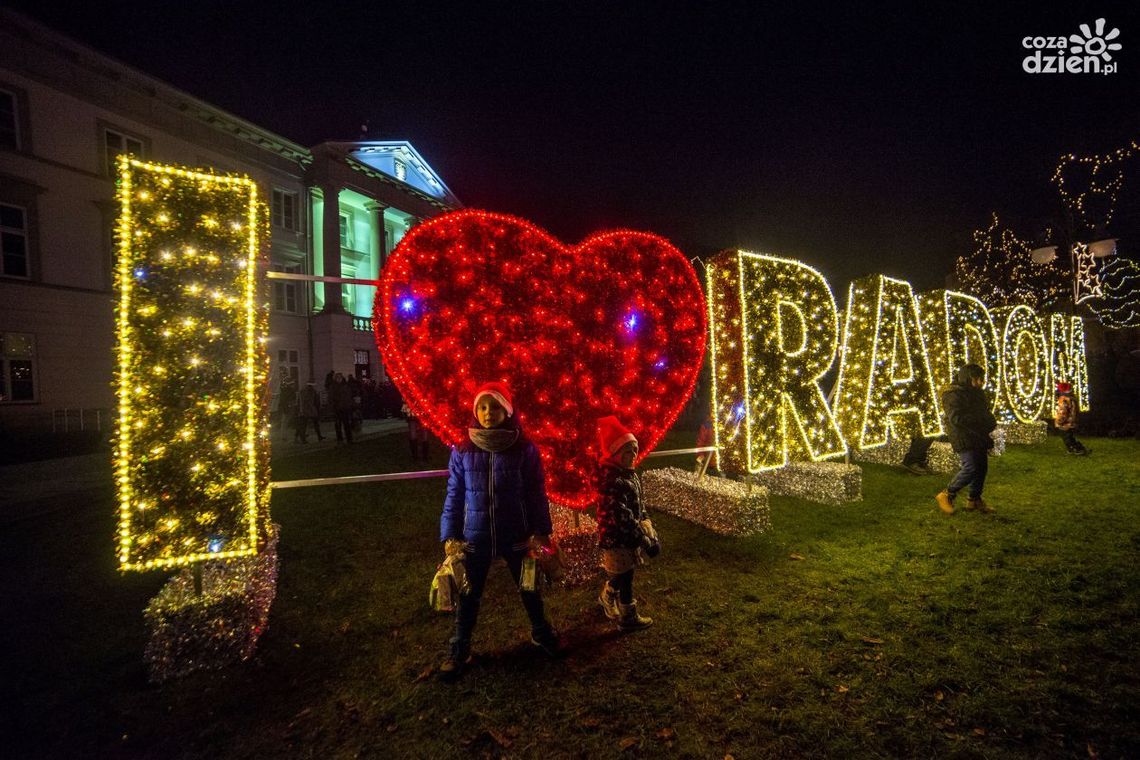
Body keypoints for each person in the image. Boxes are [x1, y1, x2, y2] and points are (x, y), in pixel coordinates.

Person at [438, 382, 563, 678]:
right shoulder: (463, 449)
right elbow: (454, 494)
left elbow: (535, 492)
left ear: (507, 411)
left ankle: (541, 632)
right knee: (469, 593)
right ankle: (460, 647)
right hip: (474, 536)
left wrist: (541, 529)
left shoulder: (523, 448)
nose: (487, 413)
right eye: (482, 406)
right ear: (475, 411)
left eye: (494, 406)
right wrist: (450, 534)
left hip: (517, 534)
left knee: (529, 586)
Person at [594, 415, 659, 631]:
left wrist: (648, 524)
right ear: (614, 454)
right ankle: (628, 617)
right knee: (626, 576)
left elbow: (638, 507)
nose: (632, 456)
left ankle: (607, 596)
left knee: (621, 573)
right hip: (617, 538)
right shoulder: (612, 481)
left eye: (634, 450)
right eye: (626, 452)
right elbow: (622, 517)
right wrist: (643, 540)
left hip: (627, 536)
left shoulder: (629, 475)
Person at [936, 364, 997, 515]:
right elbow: (956, 418)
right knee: (971, 467)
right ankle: (947, 494)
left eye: (981, 379)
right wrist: (981, 419)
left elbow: (985, 411)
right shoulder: (953, 394)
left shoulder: (977, 393)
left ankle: (974, 499)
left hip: (978, 434)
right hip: (964, 436)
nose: (980, 382)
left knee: (982, 467)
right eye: (977, 379)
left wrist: (989, 421)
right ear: (968, 378)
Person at [1054, 382, 1089, 455]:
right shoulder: (1072, 398)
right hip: (1071, 421)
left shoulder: (1063, 399)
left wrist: (1059, 421)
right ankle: (1079, 448)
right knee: (1071, 437)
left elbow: (1063, 412)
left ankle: (1075, 449)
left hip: (1065, 423)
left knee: (1067, 438)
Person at [328, 372, 354, 444]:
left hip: (345, 408)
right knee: (338, 425)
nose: (339, 379)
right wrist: (332, 408)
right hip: (337, 409)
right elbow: (330, 398)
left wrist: (350, 405)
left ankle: (349, 439)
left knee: (346, 424)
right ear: (335, 378)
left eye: (340, 377)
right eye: (337, 377)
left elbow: (349, 397)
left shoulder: (345, 386)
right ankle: (340, 439)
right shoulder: (333, 387)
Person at [274, 368, 298, 442]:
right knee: (285, 422)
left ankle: (293, 434)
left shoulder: (285, 385)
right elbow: (285, 399)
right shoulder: (287, 388)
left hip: (288, 406)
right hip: (288, 407)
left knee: (287, 421)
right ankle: (284, 436)